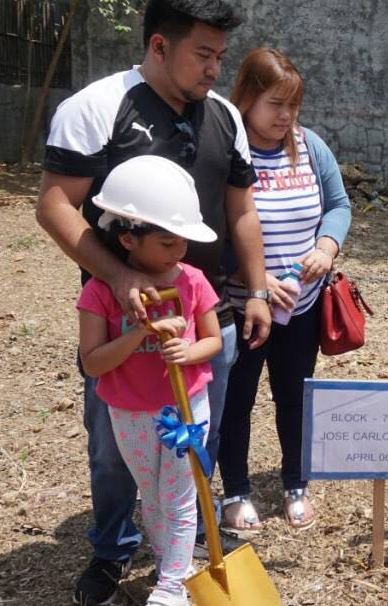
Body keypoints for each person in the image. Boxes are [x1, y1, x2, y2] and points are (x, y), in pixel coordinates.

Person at [34, 1, 269, 602]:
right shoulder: (96, 108)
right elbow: (56, 204)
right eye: (203, 54)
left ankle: (181, 545)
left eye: (221, 56)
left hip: (204, 316)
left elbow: (242, 210)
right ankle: (112, 549)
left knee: (195, 441)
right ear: (159, 47)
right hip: (122, 321)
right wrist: (117, 278)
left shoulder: (224, 118)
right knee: (115, 450)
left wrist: (259, 289)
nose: (216, 69)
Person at [77, 155, 222, 606]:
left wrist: (188, 350)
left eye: (182, 240)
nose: (178, 251)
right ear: (128, 239)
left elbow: (214, 340)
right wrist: (139, 330)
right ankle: (169, 564)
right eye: (166, 242)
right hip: (130, 410)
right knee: (152, 493)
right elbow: (94, 362)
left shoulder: (193, 281)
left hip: (186, 406)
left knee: (179, 492)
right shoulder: (100, 292)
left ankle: (172, 583)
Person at [217, 48, 351, 533]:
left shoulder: (310, 146)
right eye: (275, 103)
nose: (286, 115)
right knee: (237, 400)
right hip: (242, 306)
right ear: (247, 98)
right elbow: (210, 227)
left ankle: (296, 484)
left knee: (294, 395)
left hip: (302, 304)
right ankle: (235, 491)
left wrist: (327, 246)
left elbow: (338, 204)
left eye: (293, 104)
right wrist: (251, 279)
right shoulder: (228, 149)